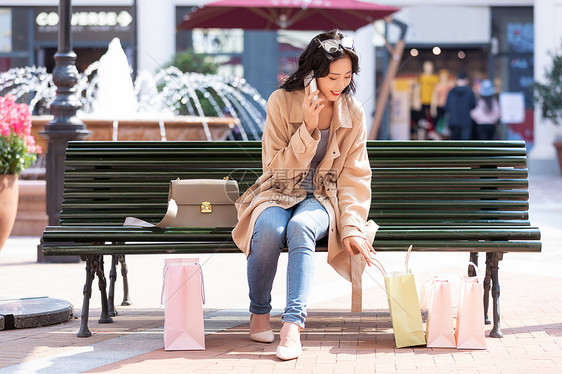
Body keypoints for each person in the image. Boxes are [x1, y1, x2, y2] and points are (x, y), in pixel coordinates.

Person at [231, 29, 378, 361]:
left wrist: (353, 224)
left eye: (346, 76)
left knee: (301, 228)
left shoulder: (352, 111)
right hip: (278, 189)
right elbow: (273, 167)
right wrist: (308, 129)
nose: (339, 84)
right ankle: (258, 312)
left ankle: (292, 326)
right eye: (331, 76)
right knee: (268, 228)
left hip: (324, 197)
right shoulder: (281, 102)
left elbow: (355, 175)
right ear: (313, 71)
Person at [445, 72, 476, 140]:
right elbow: (473, 105)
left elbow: (447, 107)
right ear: (467, 80)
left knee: (454, 146)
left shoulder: (451, 92)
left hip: (453, 121)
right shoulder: (470, 92)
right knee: (465, 146)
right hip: (466, 121)